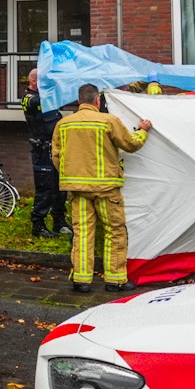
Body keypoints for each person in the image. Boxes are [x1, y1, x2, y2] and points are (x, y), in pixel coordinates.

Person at [52, 83, 153, 294]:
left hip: (78, 190)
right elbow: (131, 145)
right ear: (97, 101)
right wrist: (142, 131)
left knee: (82, 233)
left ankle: (81, 280)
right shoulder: (109, 121)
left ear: (79, 101)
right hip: (107, 189)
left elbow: (57, 157)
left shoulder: (63, 124)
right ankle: (115, 280)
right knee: (114, 232)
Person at [21, 67, 62, 240]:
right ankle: (38, 225)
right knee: (45, 188)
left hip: (55, 149)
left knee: (60, 187)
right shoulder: (30, 98)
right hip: (42, 150)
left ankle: (59, 222)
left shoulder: (46, 99)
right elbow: (36, 103)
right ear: (34, 82)